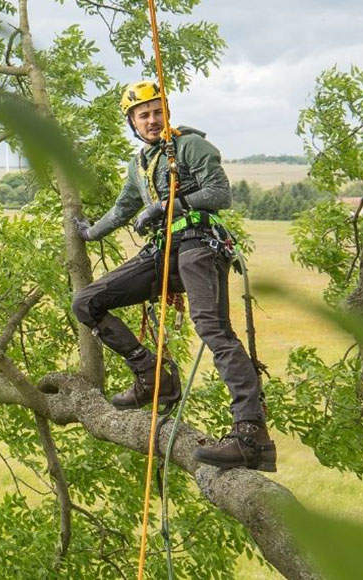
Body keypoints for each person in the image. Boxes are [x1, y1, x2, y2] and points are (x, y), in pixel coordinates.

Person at [70, 81, 276, 472]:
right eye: (143, 115)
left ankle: (251, 434)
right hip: (163, 253)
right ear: (131, 121)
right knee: (86, 302)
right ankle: (152, 376)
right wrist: (89, 232)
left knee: (214, 331)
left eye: (157, 111)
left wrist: (169, 205)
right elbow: (122, 209)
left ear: (167, 112)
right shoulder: (139, 165)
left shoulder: (188, 147)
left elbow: (220, 194)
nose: (152, 120)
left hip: (199, 244)